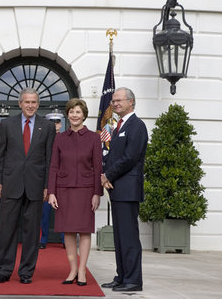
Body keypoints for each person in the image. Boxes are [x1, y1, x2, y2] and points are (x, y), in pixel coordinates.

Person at [0, 88, 56, 284]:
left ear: (38, 104)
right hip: (10, 185)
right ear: (20, 104)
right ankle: (3, 270)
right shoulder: (6, 124)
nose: (30, 105)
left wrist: (47, 186)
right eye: (26, 102)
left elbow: (49, 159)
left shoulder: (47, 127)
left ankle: (26, 272)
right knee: (6, 231)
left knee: (31, 234)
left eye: (34, 102)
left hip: (36, 187)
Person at [47, 98, 103, 286]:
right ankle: (72, 269)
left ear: (84, 115)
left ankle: (82, 271)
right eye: (71, 112)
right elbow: (53, 166)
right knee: (68, 231)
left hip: (87, 191)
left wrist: (97, 193)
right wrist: (52, 192)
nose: (74, 115)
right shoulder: (60, 138)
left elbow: (98, 167)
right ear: (67, 114)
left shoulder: (94, 138)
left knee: (84, 230)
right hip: (63, 190)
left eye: (78, 112)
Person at [100, 87, 148, 292]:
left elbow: (130, 157)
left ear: (131, 102)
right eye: (113, 101)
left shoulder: (137, 126)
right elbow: (112, 156)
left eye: (119, 100)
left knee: (128, 237)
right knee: (119, 237)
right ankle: (122, 276)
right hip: (117, 188)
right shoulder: (117, 126)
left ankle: (134, 280)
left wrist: (108, 175)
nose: (115, 103)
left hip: (127, 189)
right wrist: (106, 176)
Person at [40, 110, 65, 249]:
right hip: (46, 180)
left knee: (62, 212)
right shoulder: (43, 138)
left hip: (61, 180)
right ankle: (43, 240)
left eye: (57, 122)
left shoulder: (66, 138)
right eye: (52, 122)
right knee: (44, 213)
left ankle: (64, 239)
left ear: (61, 124)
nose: (55, 125)